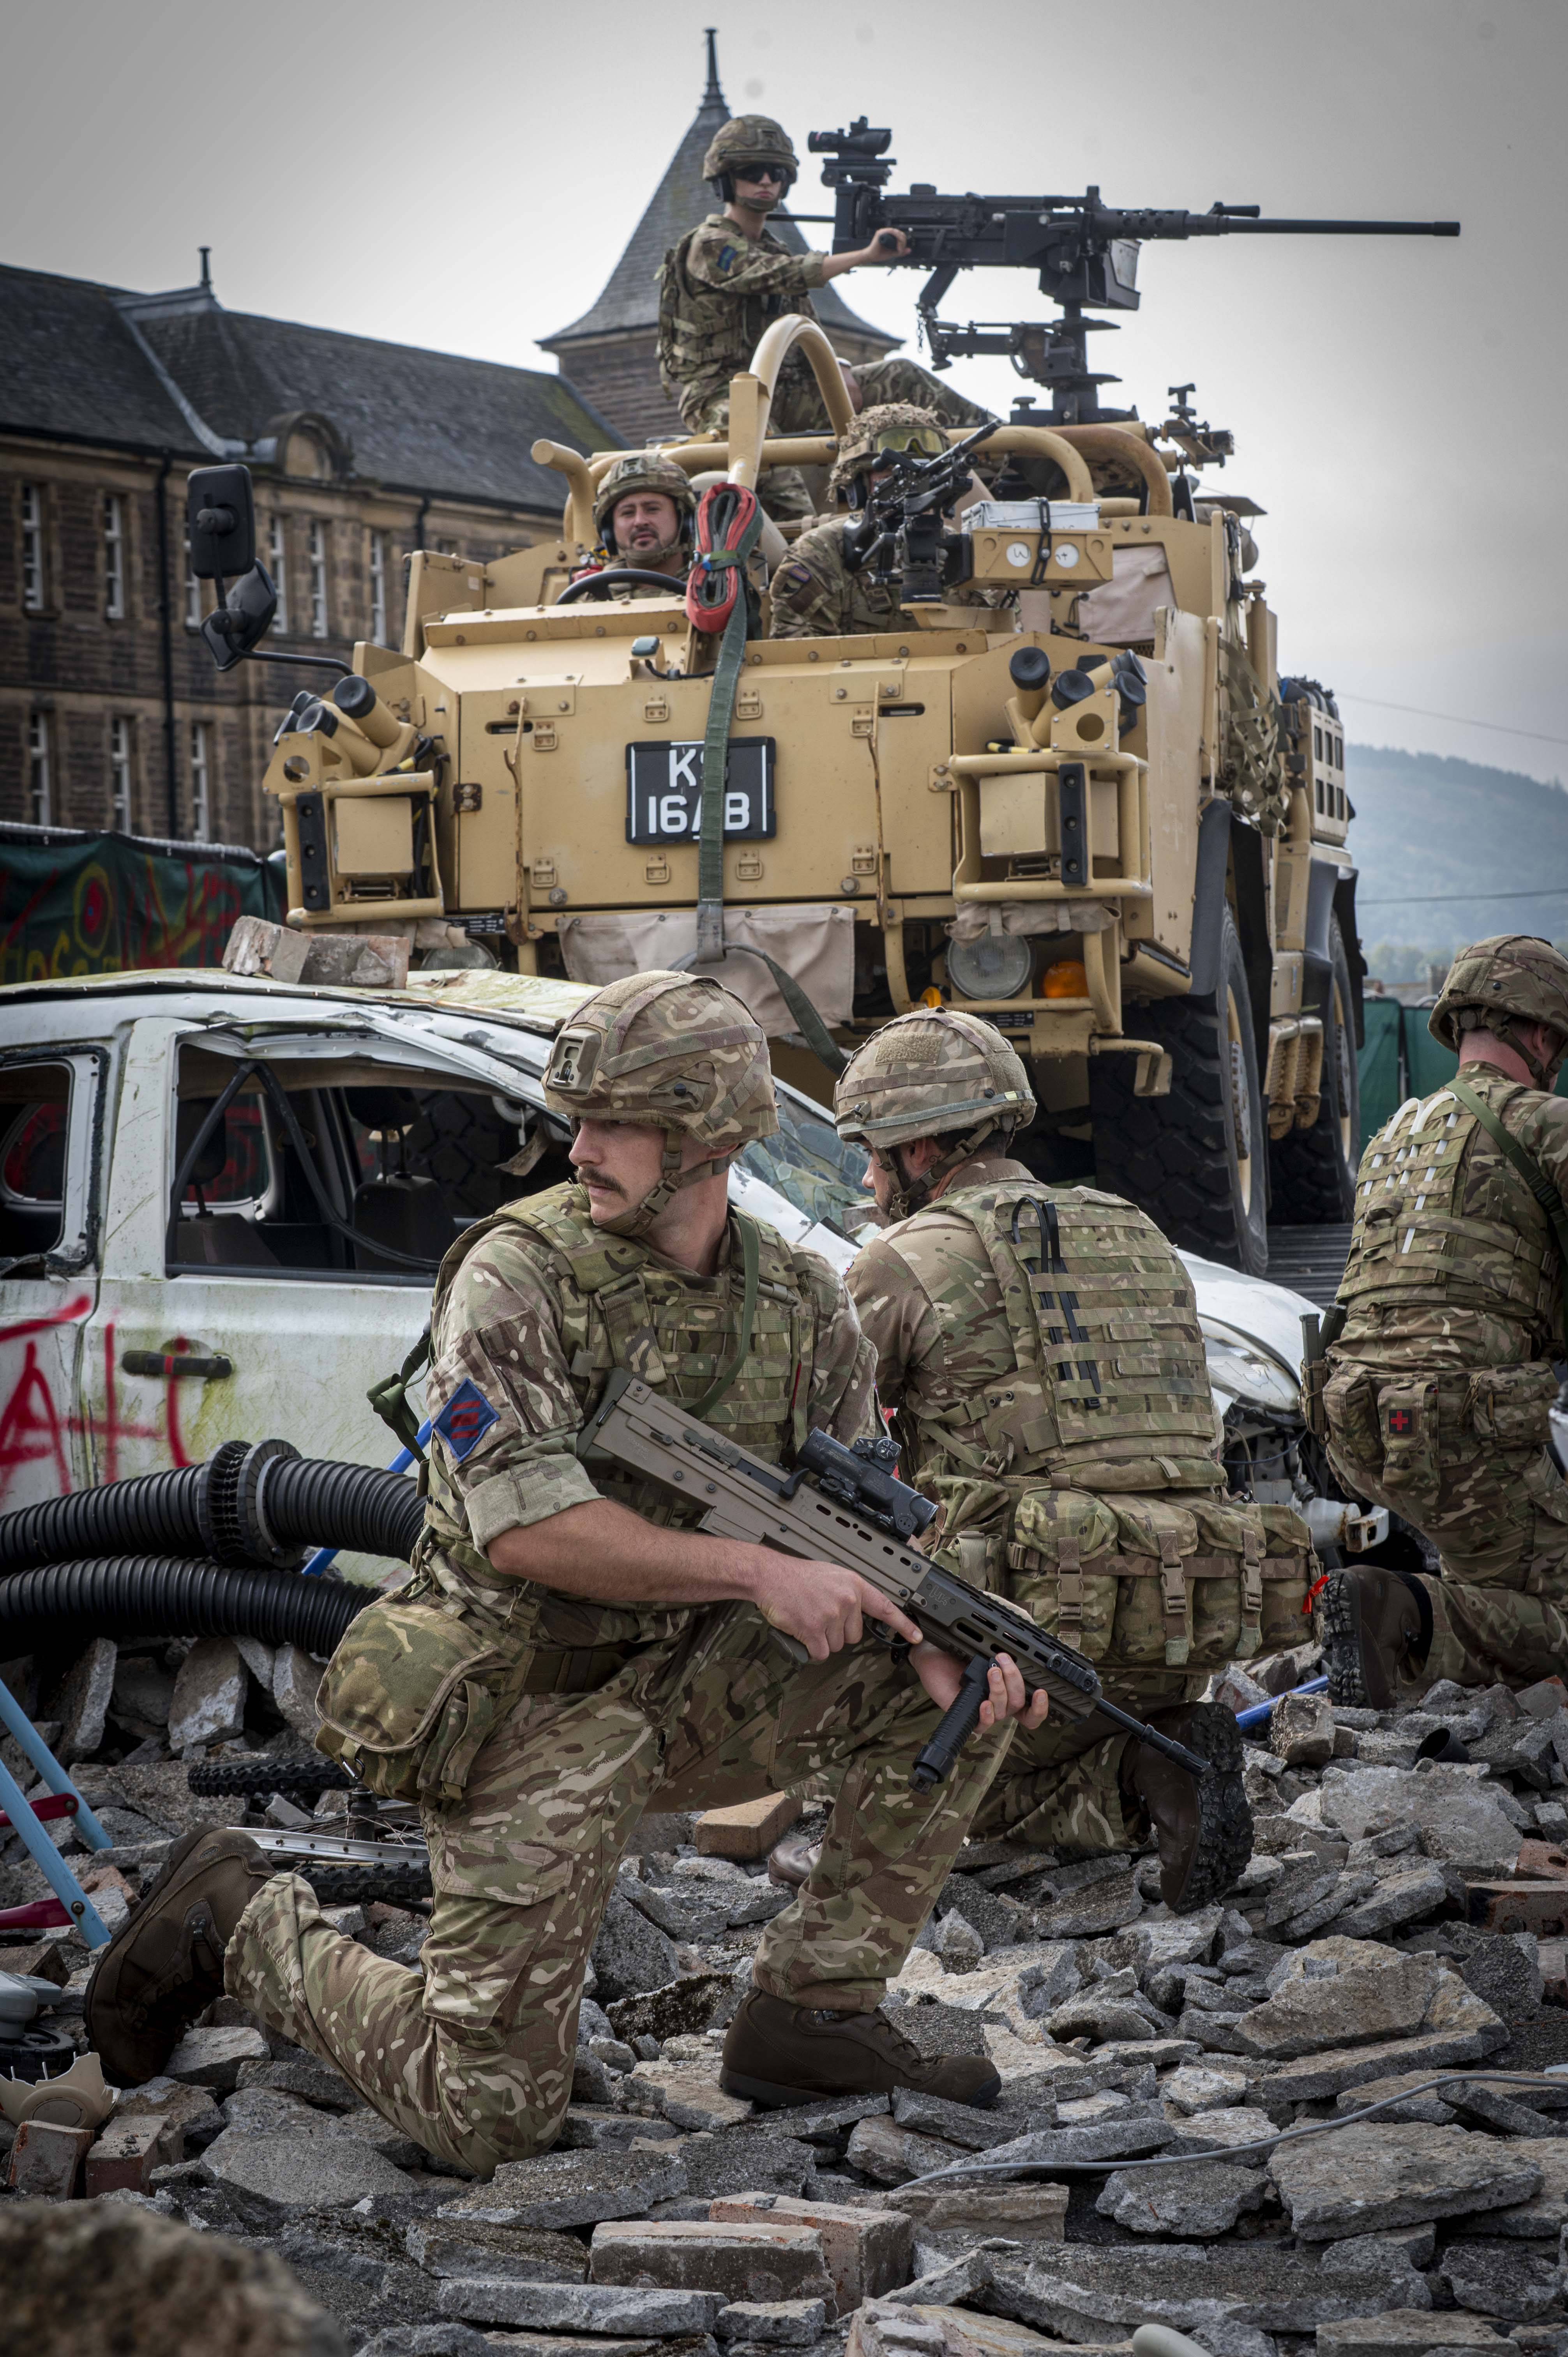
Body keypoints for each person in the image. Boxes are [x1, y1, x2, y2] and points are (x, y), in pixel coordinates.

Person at [84, 973, 1046, 2169]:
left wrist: (930, 1620)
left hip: (680, 1684)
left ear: (705, 1138)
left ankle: (812, 2016)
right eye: (574, 1118)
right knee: (486, 2117)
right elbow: (525, 1532)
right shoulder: (516, 1273)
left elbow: (855, 1519)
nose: (576, 1148)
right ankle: (240, 1922)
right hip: (518, 1696)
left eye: (614, 1123)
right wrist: (759, 1574)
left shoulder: (801, 1301)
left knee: (953, 1680)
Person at [776, 1008, 1315, 1910]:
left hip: (1011, 1648)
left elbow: (812, 1445)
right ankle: (1149, 1756)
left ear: (918, 1155)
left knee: (801, 1608)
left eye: (872, 1156)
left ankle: (1076, 1786)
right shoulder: (1136, 1233)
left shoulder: (901, 1261)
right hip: (1177, 1625)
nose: (867, 1184)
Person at [1312, 934, 1568, 1707]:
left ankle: (1424, 1596)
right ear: (1540, 1033)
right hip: (1460, 1426)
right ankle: (1412, 1618)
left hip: (1354, 1422)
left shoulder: (1392, 1136)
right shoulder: (1544, 1125)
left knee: (1495, 1541)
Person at [657, 114, 991, 520]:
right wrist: (866, 256)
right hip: (720, 394)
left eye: (775, 173)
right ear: (725, 180)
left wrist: (837, 367)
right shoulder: (710, 245)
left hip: (787, 390)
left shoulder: (774, 246)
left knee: (899, 375)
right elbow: (777, 275)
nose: (765, 181)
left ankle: (1013, 465)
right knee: (759, 445)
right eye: (750, 172)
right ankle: (800, 541)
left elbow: (803, 324)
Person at [769, 404, 1015, 640]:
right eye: (891, 477)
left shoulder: (960, 550)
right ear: (858, 484)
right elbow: (797, 657)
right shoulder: (822, 555)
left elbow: (1000, 642)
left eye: (925, 477)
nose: (913, 490)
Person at [590, 450, 696, 588]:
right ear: (609, 530)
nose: (640, 522)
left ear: (685, 520)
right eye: (628, 513)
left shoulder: (720, 594)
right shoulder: (589, 601)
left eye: (652, 509)